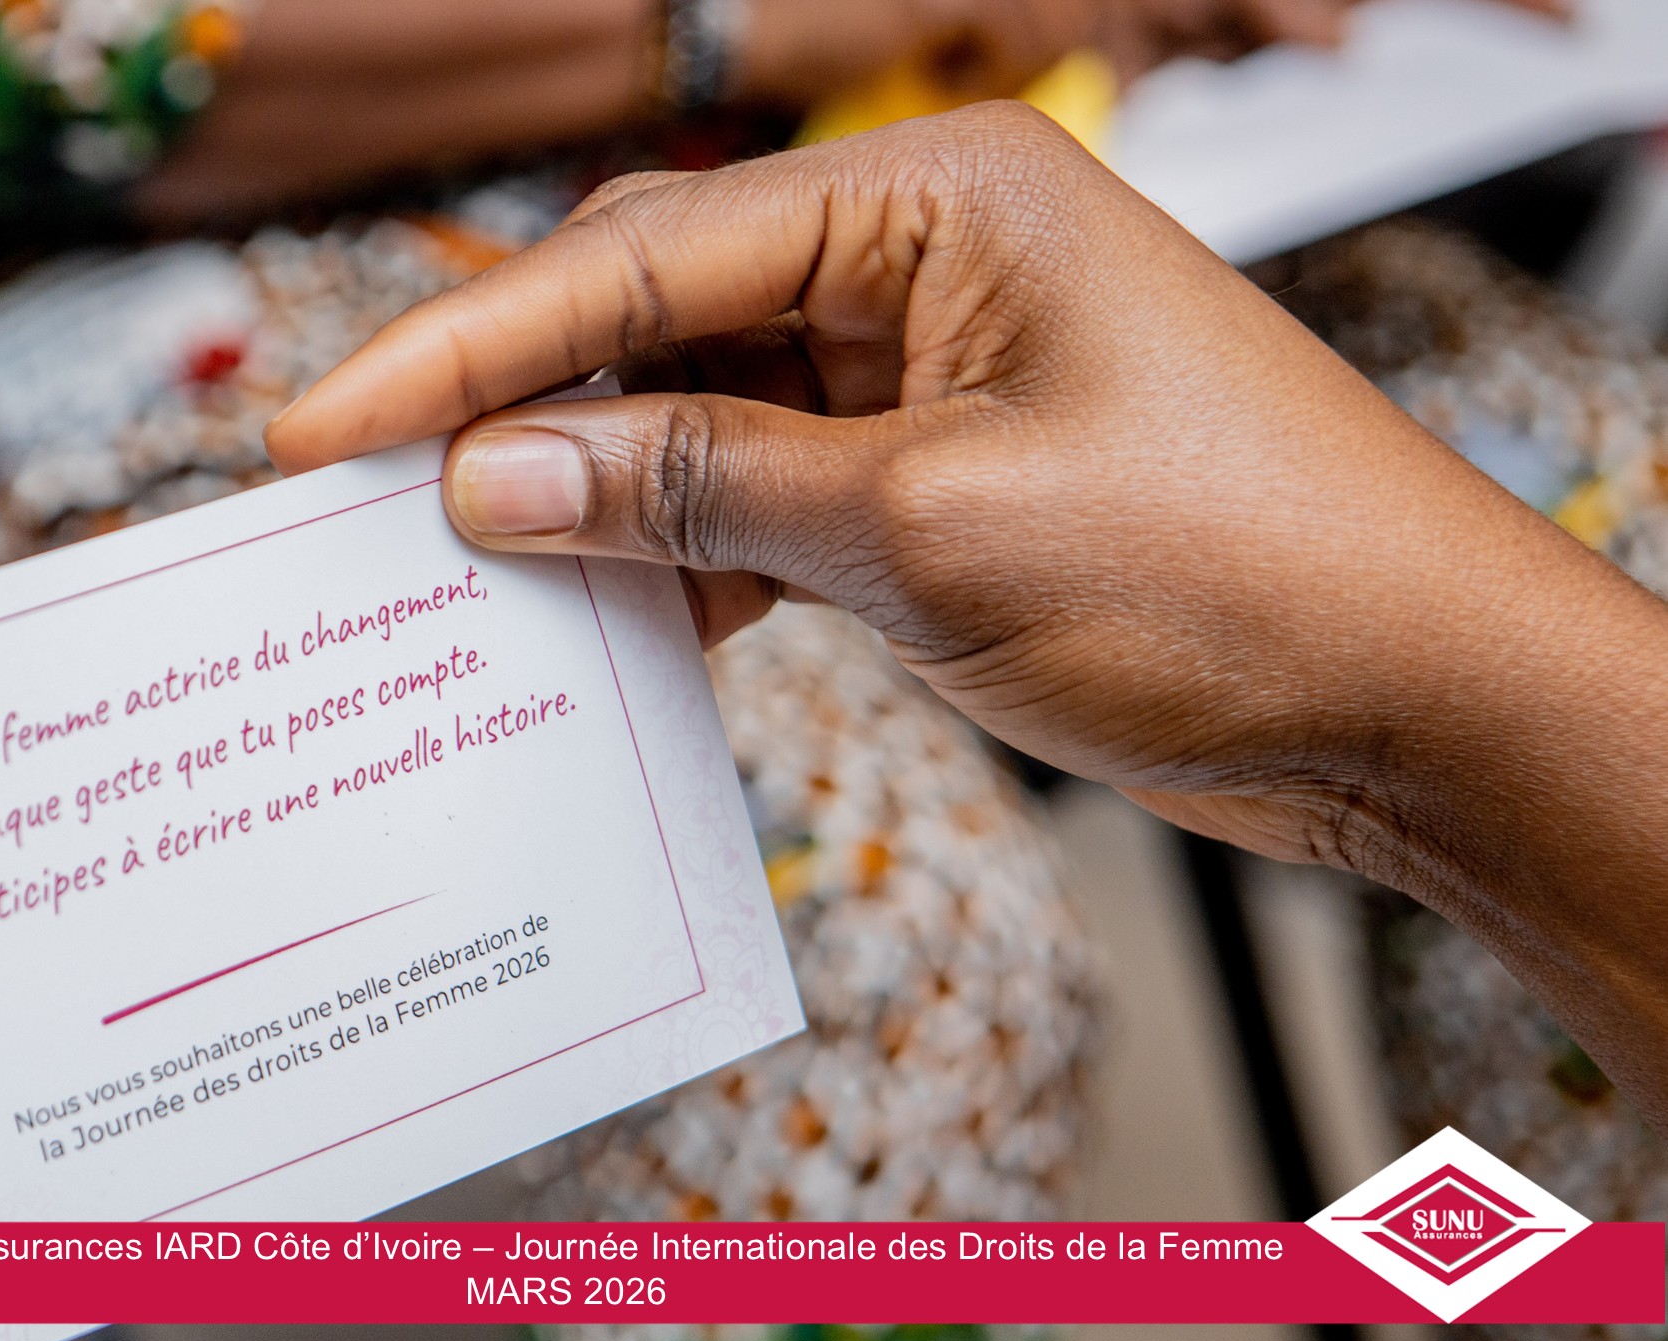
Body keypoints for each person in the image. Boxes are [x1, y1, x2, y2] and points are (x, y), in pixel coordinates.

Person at [264, 104, 1668, 1134]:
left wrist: (1418, 740)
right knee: (901, 949)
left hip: (1050, 165)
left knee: (1628, 500)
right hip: (317, 249)